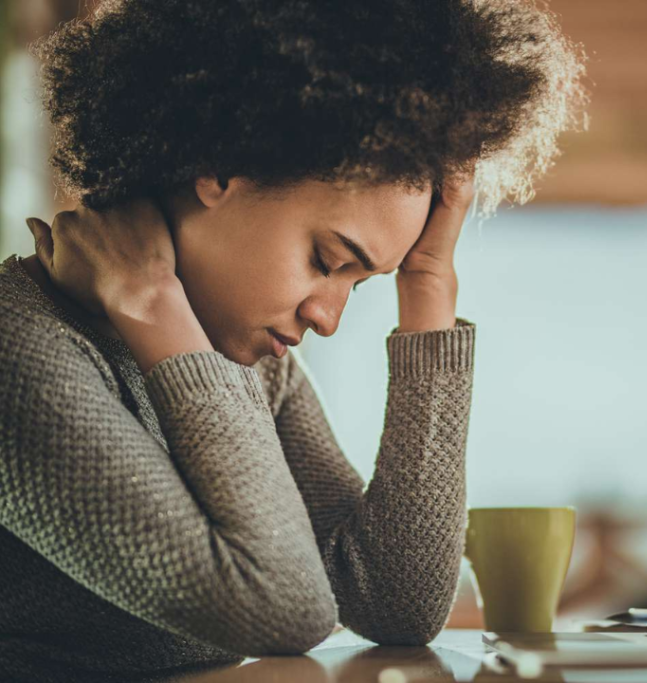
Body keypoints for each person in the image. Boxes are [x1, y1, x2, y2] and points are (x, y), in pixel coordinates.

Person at [0, 0, 588, 680]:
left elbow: (398, 599)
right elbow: (285, 608)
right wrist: (152, 303)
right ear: (220, 165)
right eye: (328, 260)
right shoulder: (19, 349)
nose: (329, 318)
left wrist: (428, 285)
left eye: (362, 283)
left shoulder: (238, 356)